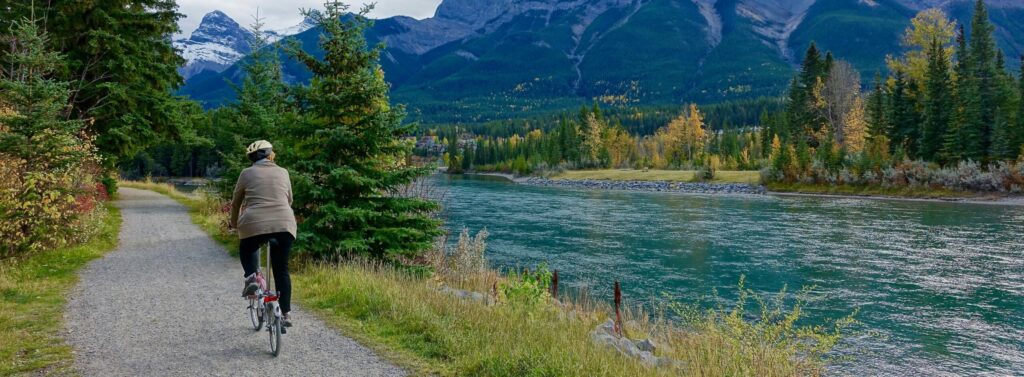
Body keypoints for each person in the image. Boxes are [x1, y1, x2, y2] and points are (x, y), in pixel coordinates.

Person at [229, 140, 297, 327]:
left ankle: (251, 277)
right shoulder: (283, 172)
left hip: (253, 223)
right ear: (270, 155)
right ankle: (286, 314)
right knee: (281, 269)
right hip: (284, 223)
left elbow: (236, 202)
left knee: (247, 247)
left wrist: (233, 223)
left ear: (252, 158)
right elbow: (289, 199)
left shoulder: (246, 173)